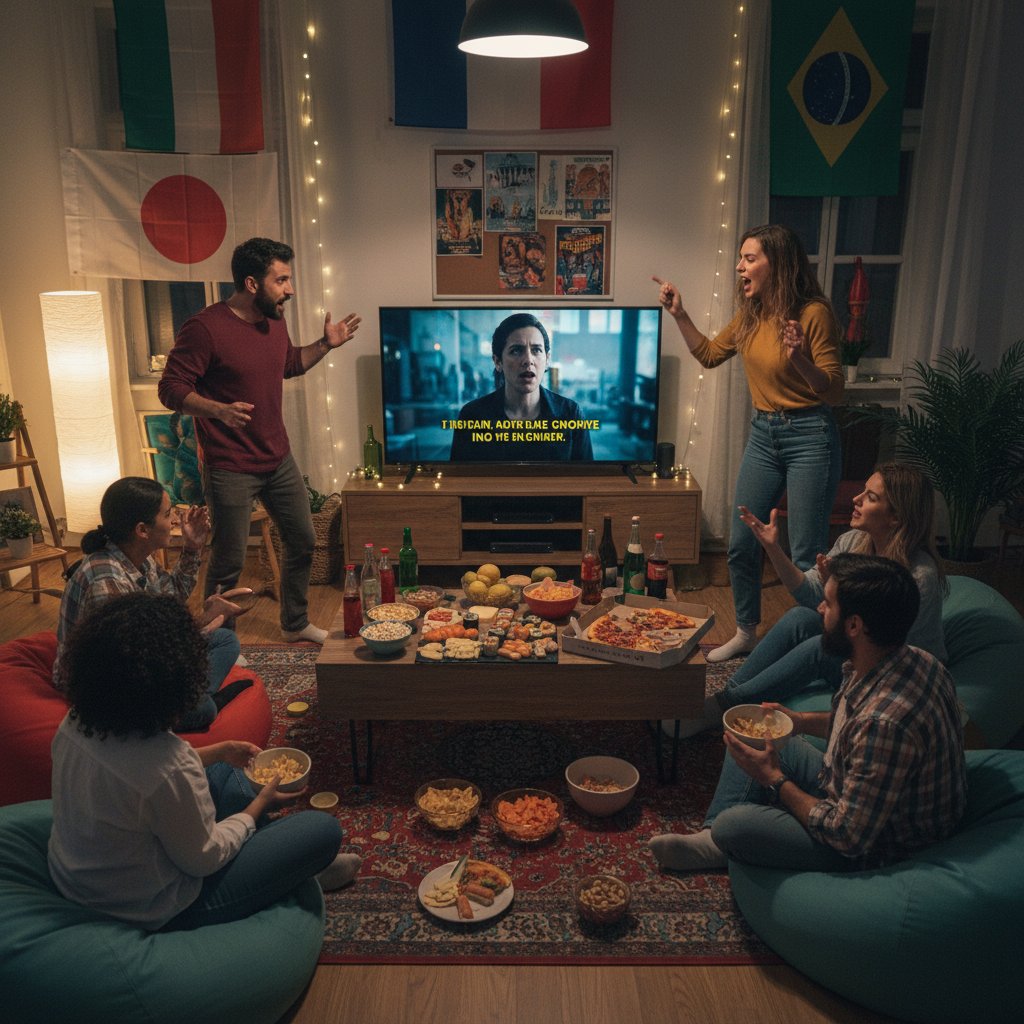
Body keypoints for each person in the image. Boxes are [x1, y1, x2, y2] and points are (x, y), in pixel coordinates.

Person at [48, 592, 360, 930]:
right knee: (323, 830)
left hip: (81, 880)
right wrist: (258, 807)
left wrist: (220, 751)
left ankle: (284, 860)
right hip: (159, 906)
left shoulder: (76, 722)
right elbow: (205, 858)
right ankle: (297, 872)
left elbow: (139, 777)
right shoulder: (168, 765)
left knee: (227, 769)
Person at [649, 554, 966, 873]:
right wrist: (799, 721)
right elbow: (854, 728)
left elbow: (848, 836)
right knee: (756, 733)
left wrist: (775, 780)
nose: (819, 609)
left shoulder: (885, 722)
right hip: (852, 789)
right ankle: (711, 841)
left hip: (879, 845)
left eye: (828, 604)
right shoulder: (909, 659)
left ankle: (721, 838)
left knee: (733, 826)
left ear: (854, 625)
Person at [654, 224, 844, 663]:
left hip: (810, 435)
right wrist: (680, 314)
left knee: (805, 552)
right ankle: (746, 633)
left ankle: (817, 645)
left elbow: (834, 391)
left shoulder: (813, 313)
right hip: (765, 434)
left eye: (750, 258)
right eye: (740, 258)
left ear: (778, 264)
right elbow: (708, 354)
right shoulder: (752, 314)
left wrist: (798, 358)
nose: (740, 266)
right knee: (742, 541)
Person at [158, 237, 361, 644]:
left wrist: (325, 345)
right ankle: (220, 642)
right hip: (229, 464)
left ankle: (295, 623)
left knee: (303, 539)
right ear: (251, 283)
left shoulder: (274, 320)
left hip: (277, 456)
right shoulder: (205, 328)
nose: (290, 289)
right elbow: (170, 388)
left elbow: (287, 364)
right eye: (281, 279)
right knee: (229, 561)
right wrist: (216, 409)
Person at [677, 463, 948, 735]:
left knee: (821, 648)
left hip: (895, 674)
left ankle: (722, 706)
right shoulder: (855, 541)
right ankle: (730, 697)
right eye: (863, 491)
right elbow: (809, 593)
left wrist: (840, 595)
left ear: (896, 518)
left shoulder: (918, 578)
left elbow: (883, 647)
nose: (856, 499)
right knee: (800, 617)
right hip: (865, 645)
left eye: (871, 497)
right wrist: (773, 547)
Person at [54, 476, 249, 732]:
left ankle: (187, 700)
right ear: (142, 530)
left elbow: (172, 597)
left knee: (225, 640)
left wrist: (192, 547)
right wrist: (202, 620)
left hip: (135, 659)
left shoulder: (138, 556)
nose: (175, 521)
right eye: (168, 514)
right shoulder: (107, 584)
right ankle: (193, 704)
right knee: (204, 709)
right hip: (106, 684)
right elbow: (137, 658)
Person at [449, 312, 594, 461]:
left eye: (536, 350)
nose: (528, 360)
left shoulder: (570, 414)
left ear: (547, 359)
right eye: (516, 350)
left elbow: (587, 480)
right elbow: (458, 481)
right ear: (498, 362)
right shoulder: (472, 416)